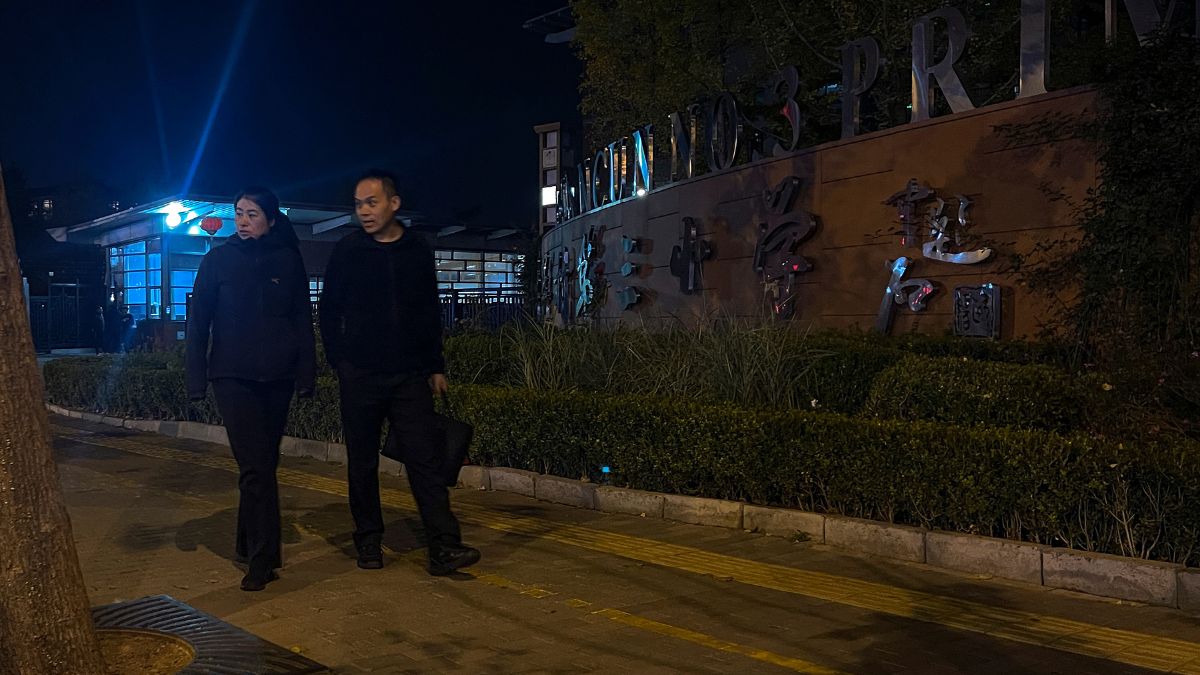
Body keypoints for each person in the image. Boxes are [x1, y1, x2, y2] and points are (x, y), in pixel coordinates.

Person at [319, 169, 479, 576]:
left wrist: (435, 365)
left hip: (409, 375)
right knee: (362, 463)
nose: (364, 212)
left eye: (371, 202)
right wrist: (340, 360)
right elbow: (328, 307)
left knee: (425, 461)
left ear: (394, 203)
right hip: (361, 376)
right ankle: (369, 541)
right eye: (358, 204)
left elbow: (428, 310)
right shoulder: (349, 250)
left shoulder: (417, 251)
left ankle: (444, 547)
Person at [185, 186, 316, 591]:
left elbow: (301, 322)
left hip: (277, 377)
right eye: (239, 213)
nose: (243, 221)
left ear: (271, 220)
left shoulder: (287, 261)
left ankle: (247, 541)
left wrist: (306, 375)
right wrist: (196, 379)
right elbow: (198, 322)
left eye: (252, 214)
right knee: (256, 467)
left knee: (262, 466)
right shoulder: (217, 260)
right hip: (232, 378)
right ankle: (263, 558)